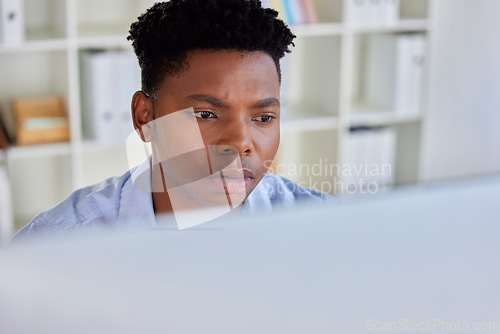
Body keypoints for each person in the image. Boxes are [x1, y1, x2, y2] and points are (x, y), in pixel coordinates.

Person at [12, 0, 334, 239]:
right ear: (145, 117)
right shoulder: (57, 249)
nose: (240, 144)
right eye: (206, 114)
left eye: (264, 118)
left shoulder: (323, 231)